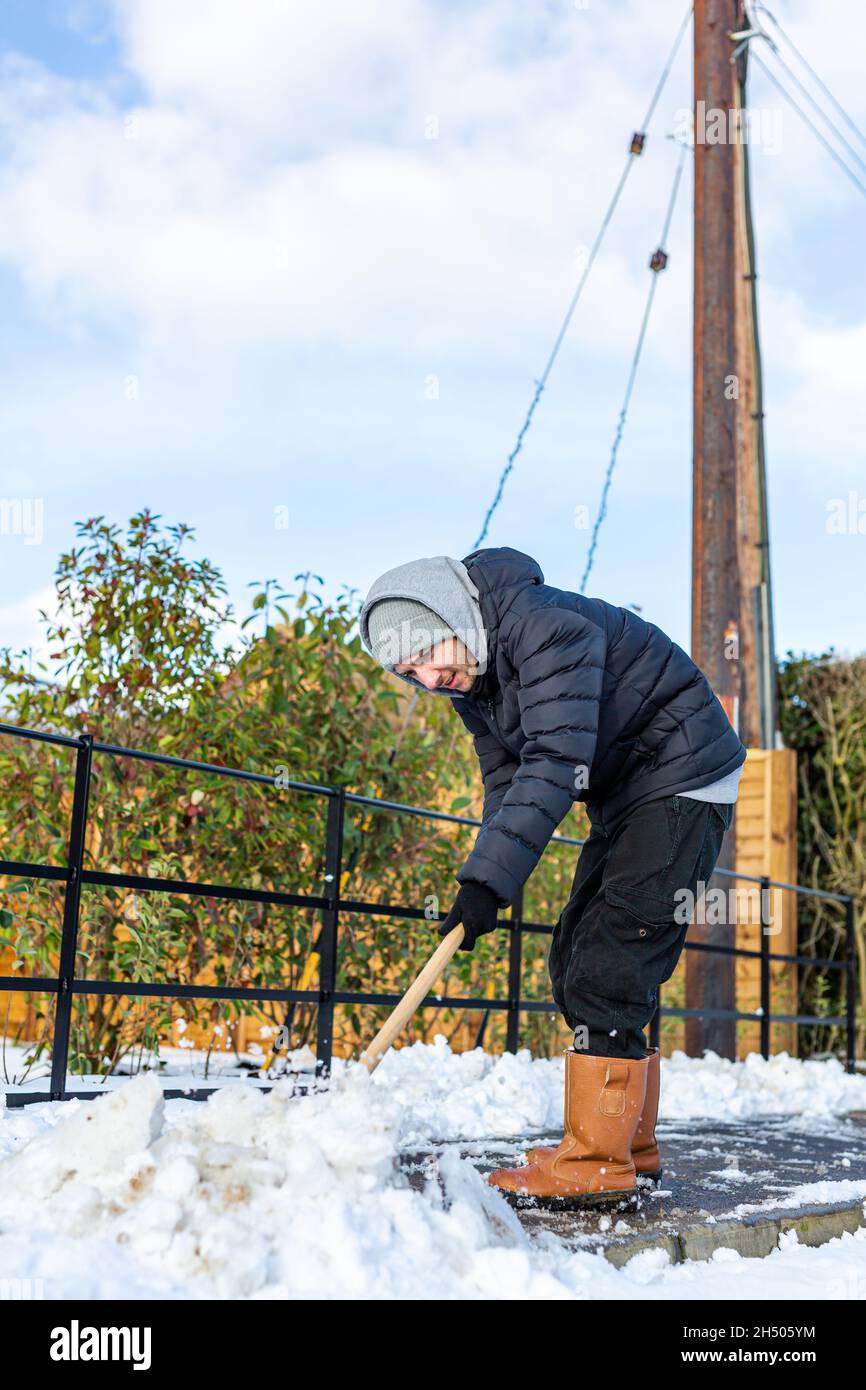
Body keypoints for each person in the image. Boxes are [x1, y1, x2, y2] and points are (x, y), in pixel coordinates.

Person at [359, 546, 746, 1208]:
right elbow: (507, 785)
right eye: (407, 672)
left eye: (425, 654)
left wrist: (491, 881)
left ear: (452, 615)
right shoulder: (474, 680)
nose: (426, 678)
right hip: (632, 792)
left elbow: (554, 761)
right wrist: (483, 883)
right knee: (574, 955)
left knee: (612, 957)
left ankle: (597, 1164)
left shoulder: (542, 627)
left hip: (683, 774)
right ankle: (626, 1146)